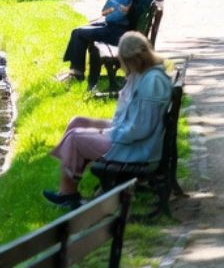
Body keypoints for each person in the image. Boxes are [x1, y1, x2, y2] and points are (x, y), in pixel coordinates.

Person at [44, 31, 172, 209]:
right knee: (77, 122)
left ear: (135, 58)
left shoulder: (152, 82)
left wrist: (108, 132)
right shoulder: (144, 73)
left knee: (74, 137)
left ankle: (68, 194)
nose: (123, 67)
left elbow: (141, 129)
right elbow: (132, 116)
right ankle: (70, 176)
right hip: (128, 133)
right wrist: (109, 128)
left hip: (137, 147)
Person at [59, 0, 151, 83]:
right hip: (122, 28)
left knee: (78, 33)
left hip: (120, 33)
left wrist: (110, 15)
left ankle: (77, 73)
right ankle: (75, 71)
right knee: (79, 31)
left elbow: (120, 13)